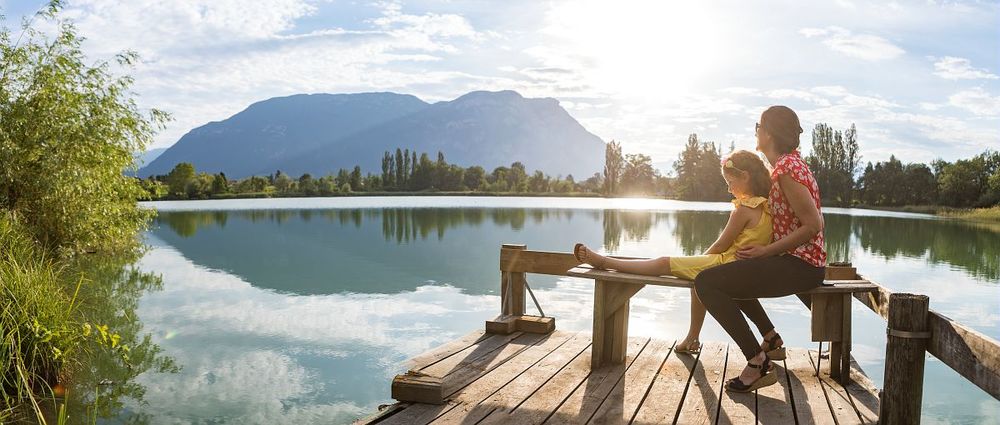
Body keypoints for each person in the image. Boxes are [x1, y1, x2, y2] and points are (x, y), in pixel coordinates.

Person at [573, 149, 777, 355]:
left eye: (730, 182)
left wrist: (698, 259)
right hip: (741, 267)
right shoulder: (769, 207)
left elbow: (719, 247)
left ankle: (605, 262)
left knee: (664, 263)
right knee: (696, 278)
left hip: (725, 263)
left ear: (745, 177)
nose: (728, 188)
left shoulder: (743, 210)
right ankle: (693, 338)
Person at [695, 105, 827, 393]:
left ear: (768, 133)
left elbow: (813, 224)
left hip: (801, 267)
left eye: (759, 125)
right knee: (731, 275)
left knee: (706, 283)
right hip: (798, 263)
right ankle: (769, 340)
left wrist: (767, 252)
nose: (756, 130)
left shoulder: (787, 170)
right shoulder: (788, 165)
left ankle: (757, 361)